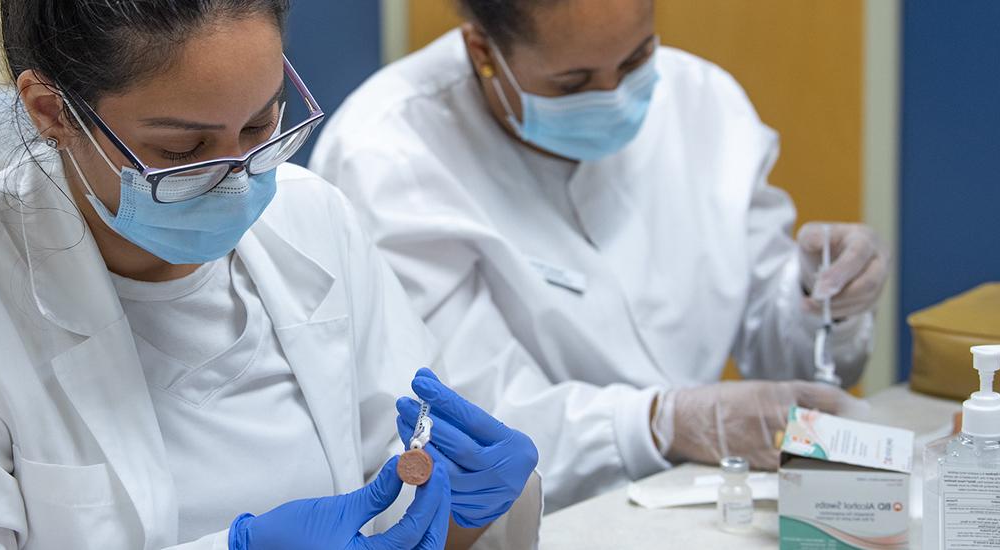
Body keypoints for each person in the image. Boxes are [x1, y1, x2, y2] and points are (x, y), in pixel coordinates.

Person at [0, 1, 540, 548]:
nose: (237, 182)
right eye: (182, 149)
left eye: (262, 129)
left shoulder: (314, 218)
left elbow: (399, 491)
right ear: (51, 110)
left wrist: (463, 513)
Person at [310, 0, 888, 510]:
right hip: (535, 523)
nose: (614, 98)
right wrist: (659, 425)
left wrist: (821, 299)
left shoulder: (703, 102)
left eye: (636, 60)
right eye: (572, 82)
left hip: (702, 501)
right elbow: (464, 425)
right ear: (482, 49)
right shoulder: (386, 156)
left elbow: (792, 365)